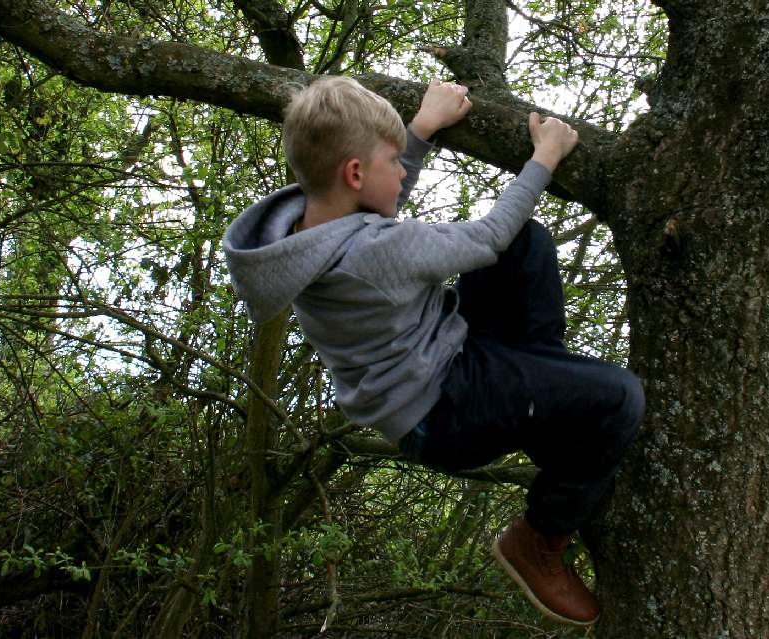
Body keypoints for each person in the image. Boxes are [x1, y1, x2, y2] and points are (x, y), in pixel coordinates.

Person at [222, 76, 643, 626]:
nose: (403, 173)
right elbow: (483, 237)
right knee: (620, 399)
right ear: (355, 172)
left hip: (444, 370)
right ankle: (538, 537)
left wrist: (419, 129)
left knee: (527, 242)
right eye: (395, 161)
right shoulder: (375, 252)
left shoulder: (307, 230)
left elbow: (373, 200)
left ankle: (548, 405)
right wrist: (543, 158)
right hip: (447, 411)